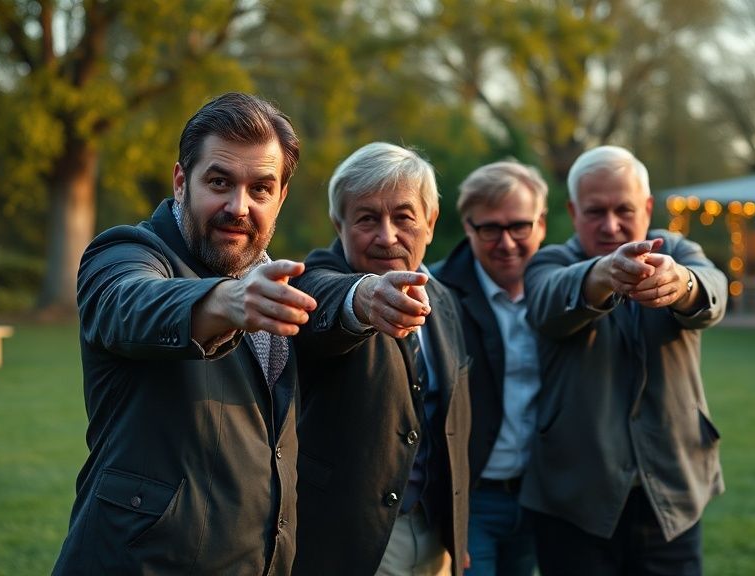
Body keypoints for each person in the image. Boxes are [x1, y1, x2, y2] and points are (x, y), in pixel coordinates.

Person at [52, 93, 318, 575]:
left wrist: (364, 294)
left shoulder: (275, 279)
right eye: (219, 182)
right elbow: (127, 303)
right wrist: (227, 301)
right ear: (181, 181)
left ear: (280, 197)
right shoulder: (125, 252)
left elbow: (330, 294)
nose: (238, 206)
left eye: (260, 188)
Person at [519, 145, 728, 576]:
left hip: (671, 493)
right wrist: (603, 275)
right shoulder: (550, 260)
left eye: (624, 209)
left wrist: (681, 284)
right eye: (595, 211)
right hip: (574, 499)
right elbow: (548, 302)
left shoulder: (676, 249)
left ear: (648, 207)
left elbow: (714, 291)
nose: (611, 225)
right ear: (573, 210)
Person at [291, 142, 470, 576]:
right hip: (347, 543)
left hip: (434, 538)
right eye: (367, 218)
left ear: (430, 223)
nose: (387, 236)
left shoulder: (445, 299)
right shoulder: (312, 283)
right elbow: (326, 302)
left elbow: (456, 425)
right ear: (340, 224)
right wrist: (364, 298)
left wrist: (457, 533)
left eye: (403, 217)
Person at [430, 160, 547, 576]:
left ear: (542, 224)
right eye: (490, 229)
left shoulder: (560, 291)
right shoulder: (436, 293)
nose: (507, 242)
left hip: (540, 495)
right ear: (467, 226)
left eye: (519, 226)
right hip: (471, 498)